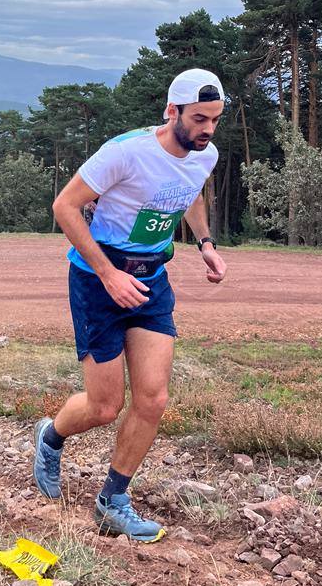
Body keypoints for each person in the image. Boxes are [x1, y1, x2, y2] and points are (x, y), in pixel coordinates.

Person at [33, 68, 228, 542]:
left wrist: (205, 243)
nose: (207, 129)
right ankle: (51, 437)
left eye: (215, 120)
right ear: (172, 111)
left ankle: (112, 501)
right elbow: (64, 206)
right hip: (98, 281)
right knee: (104, 406)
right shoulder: (125, 152)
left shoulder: (206, 154)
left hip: (152, 283)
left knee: (153, 399)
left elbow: (191, 192)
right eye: (199, 118)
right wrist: (108, 273)